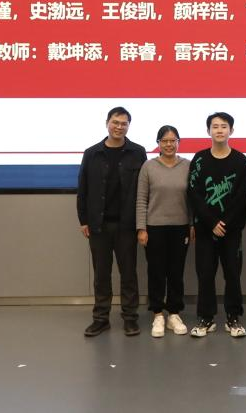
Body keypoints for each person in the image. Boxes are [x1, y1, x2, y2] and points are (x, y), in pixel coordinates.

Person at [77, 106, 147, 337]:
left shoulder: (137, 152)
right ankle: (100, 319)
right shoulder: (92, 153)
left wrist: (141, 223)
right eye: (115, 122)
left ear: (129, 126)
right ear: (107, 123)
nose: (119, 127)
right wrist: (83, 220)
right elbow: (83, 189)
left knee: (129, 274)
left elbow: (144, 190)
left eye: (124, 123)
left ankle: (130, 318)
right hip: (98, 225)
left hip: (127, 225)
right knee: (101, 275)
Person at [186, 111, 246, 339]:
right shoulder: (199, 159)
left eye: (224, 126)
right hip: (205, 229)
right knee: (205, 274)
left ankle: (233, 317)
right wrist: (212, 222)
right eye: (215, 126)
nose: (219, 130)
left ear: (231, 130)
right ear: (208, 131)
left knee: (232, 274)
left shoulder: (240, 160)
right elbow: (194, 193)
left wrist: (224, 222)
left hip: (232, 230)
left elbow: (240, 196)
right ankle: (206, 318)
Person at [136, 124, 192, 338]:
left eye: (173, 140)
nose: (169, 144)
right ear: (158, 143)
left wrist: (192, 225)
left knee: (176, 272)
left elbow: (193, 199)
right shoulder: (149, 166)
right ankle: (158, 314)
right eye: (164, 141)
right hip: (154, 228)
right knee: (156, 272)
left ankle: (174, 313)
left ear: (179, 143)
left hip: (180, 227)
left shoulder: (187, 165)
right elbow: (141, 199)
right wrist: (141, 228)